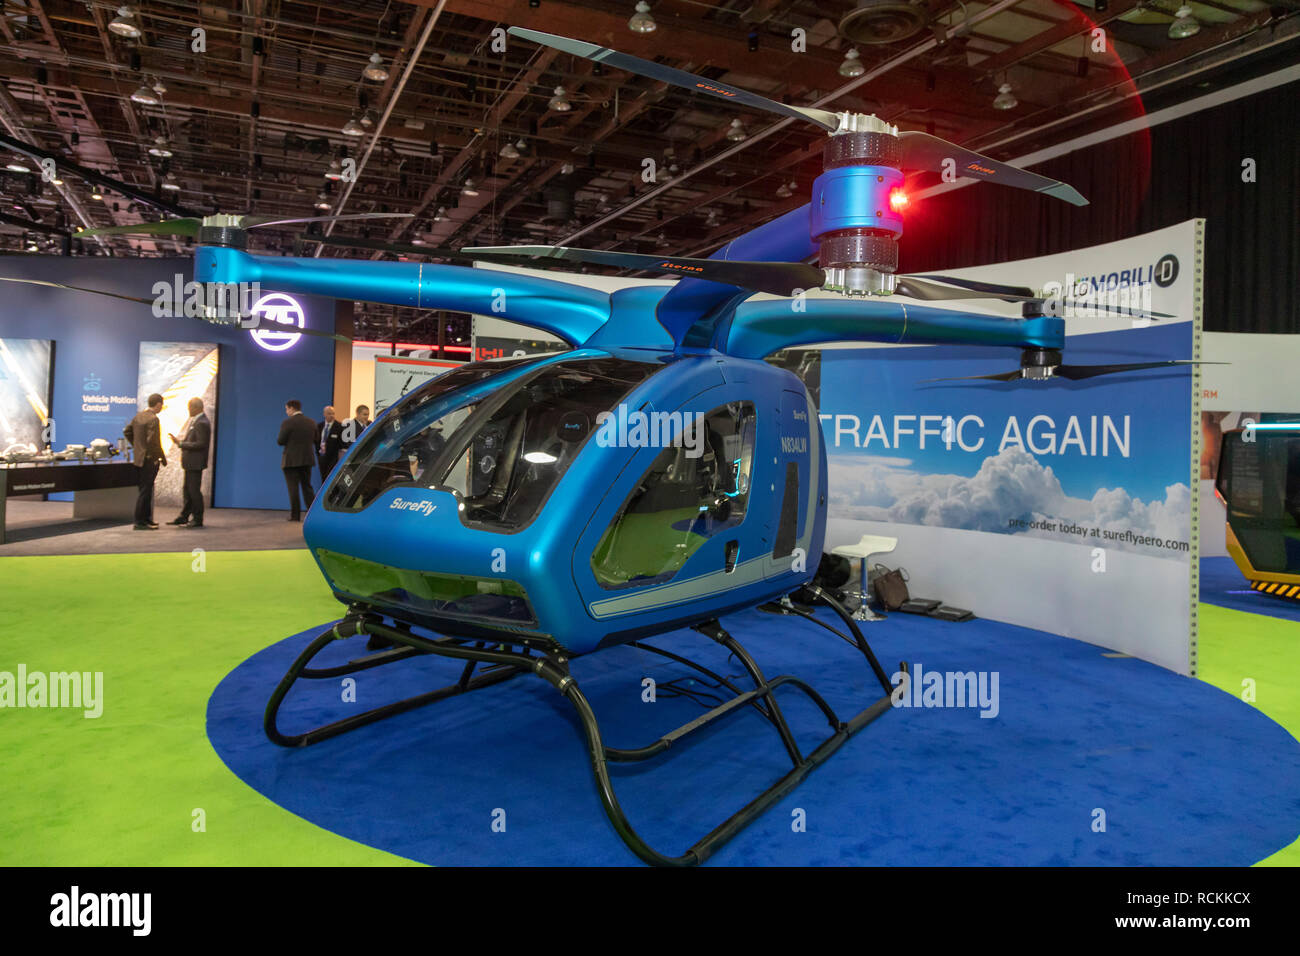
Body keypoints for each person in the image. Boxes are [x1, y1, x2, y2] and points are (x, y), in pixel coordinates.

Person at [123, 393, 166, 530]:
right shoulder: (154, 419)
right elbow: (153, 441)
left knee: (144, 489)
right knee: (146, 491)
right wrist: (160, 457)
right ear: (158, 404)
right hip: (149, 460)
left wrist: (137, 447)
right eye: (162, 405)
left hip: (139, 459)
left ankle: (147, 519)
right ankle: (140, 521)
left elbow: (127, 431)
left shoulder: (138, 416)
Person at [167, 397, 211, 528]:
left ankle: (198, 518)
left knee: (194, 491)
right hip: (191, 463)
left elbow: (201, 443)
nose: (188, 410)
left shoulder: (201, 422)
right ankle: (184, 516)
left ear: (196, 408)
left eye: (189, 408)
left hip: (195, 463)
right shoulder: (197, 421)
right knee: (188, 490)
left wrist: (181, 444)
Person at [277, 399, 317, 521]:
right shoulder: (311, 422)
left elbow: (280, 441)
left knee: (293, 488)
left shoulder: (287, 423)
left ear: (291, 408)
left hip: (291, 460)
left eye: (287, 409)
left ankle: (295, 516)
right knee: (307, 488)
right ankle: (313, 515)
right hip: (307, 459)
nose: (286, 411)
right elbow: (317, 439)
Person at [314, 405, 345, 480]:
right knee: (323, 478)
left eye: (333, 413)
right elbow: (315, 440)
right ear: (324, 414)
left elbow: (342, 444)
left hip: (333, 459)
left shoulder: (340, 427)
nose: (332, 415)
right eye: (329, 413)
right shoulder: (319, 426)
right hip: (321, 457)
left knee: (330, 478)